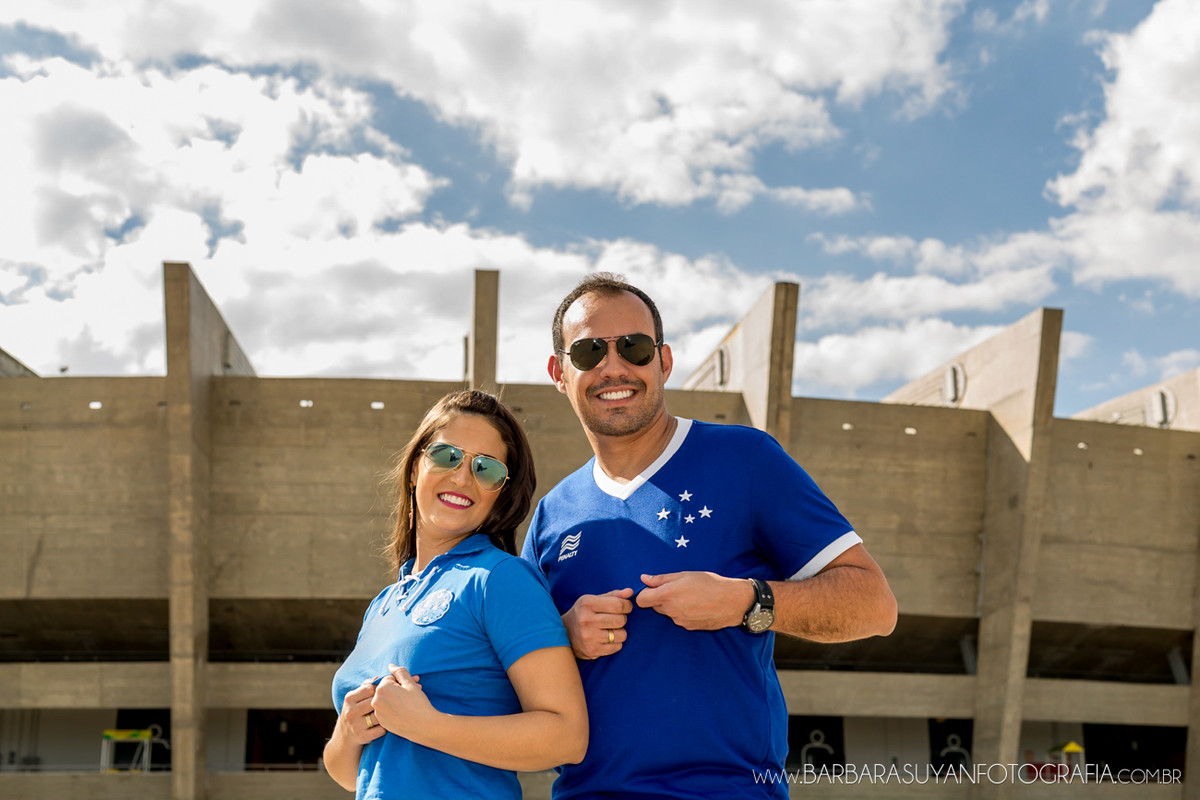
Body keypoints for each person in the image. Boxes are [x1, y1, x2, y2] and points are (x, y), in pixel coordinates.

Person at [521, 274, 897, 799]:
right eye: (588, 351)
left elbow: (874, 606)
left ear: (664, 361)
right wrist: (562, 638)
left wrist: (747, 600)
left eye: (633, 347)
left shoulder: (745, 460)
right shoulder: (550, 516)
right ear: (559, 373)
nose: (613, 367)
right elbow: (512, 682)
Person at [326, 390, 588, 800]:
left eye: (486, 469)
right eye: (447, 456)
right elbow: (351, 774)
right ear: (416, 467)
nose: (463, 478)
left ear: (500, 491)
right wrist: (349, 730)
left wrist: (428, 725)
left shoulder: (500, 579)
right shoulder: (383, 604)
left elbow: (566, 737)